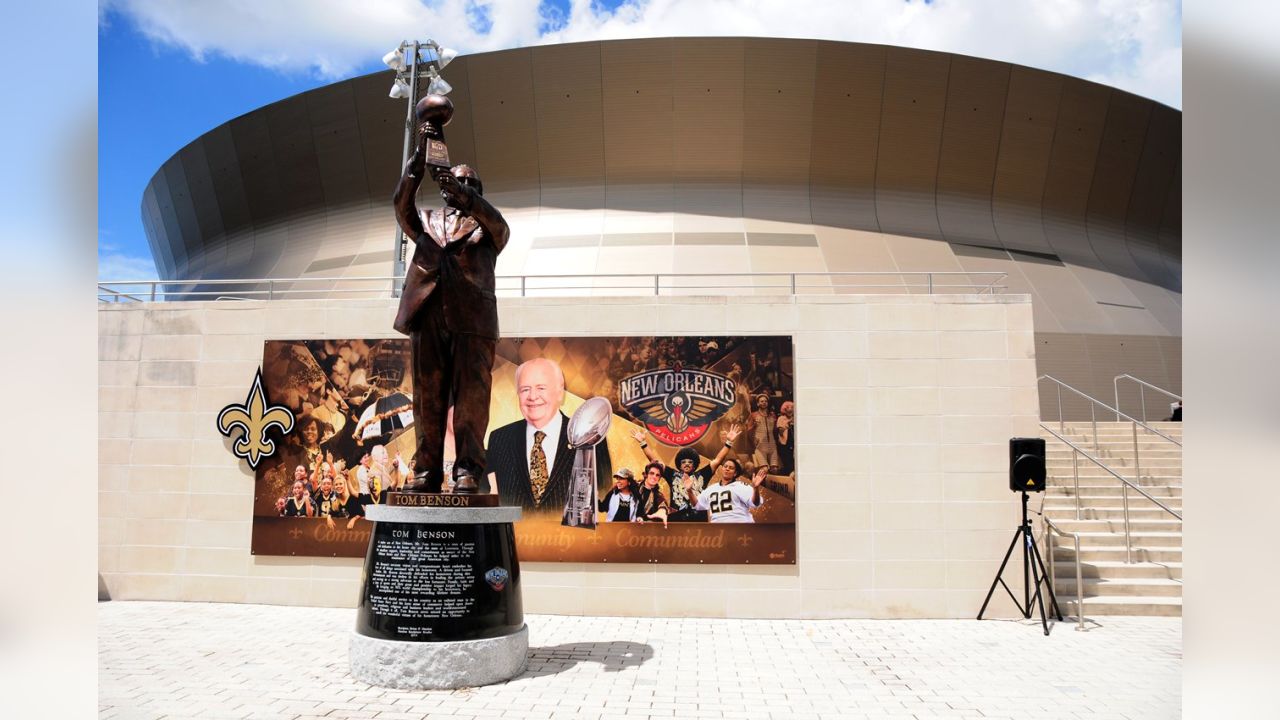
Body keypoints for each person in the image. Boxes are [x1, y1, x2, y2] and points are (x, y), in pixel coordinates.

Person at [393, 106, 510, 493]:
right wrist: (420, 157)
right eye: (455, 180)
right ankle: (426, 470)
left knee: (472, 401)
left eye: (468, 183)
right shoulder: (427, 220)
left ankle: (467, 471)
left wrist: (469, 200)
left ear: (477, 192)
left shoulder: (488, 228)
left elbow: (498, 223)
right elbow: (401, 207)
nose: (459, 186)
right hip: (429, 316)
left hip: (473, 322)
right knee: (427, 401)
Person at [486, 357, 612, 512]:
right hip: (514, 535)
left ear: (560, 393)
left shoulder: (591, 438)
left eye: (541, 388)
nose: (532, 396)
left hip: (570, 536)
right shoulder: (499, 439)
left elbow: (605, 494)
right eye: (525, 389)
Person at [630, 424, 741, 522]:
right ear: (679, 464)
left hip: (699, 518)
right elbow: (654, 460)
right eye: (683, 462)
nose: (686, 464)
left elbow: (717, 460)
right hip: (676, 518)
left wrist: (729, 442)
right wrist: (643, 443)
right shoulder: (672, 474)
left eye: (690, 462)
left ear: (695, 464)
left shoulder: (702, 474)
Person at [685, 459, 768, 523]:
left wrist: (756, 488)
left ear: (735, 473)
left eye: (731, 468)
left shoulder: (741, 486)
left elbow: (755, 503)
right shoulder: (711, 488)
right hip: (720, 531)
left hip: (741, 527)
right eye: (725, 466)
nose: (727, 469)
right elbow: (697, 505)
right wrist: (689, 491)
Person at [748, 394, 780, 472]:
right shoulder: (753, 415)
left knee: (775, 469)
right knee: (764, 469)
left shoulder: (772, 415)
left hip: (772, 445)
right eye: (762, 401)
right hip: (760, 446)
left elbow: (776, 430)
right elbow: (748, 430)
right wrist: (754, 426)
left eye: (765, 401)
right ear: (758, 403)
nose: (764, 403)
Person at [635, 462, 670, 528]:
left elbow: (663, 506)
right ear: (646, 474)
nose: (654, 477)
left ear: (659, 478)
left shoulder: (658, 495)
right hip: (625, 525)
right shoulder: (634, 486)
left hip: (643, 531)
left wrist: (662, 512)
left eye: (657, 475)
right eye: (652, 473)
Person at [776, 400, 795, 476]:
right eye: (788, 408)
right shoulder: (781, 418)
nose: (790, 409)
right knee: (788, 462)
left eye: (792, 407)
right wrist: (787, 423)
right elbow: (780, 432)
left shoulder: (795, 418)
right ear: (784, 409)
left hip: (793, 443)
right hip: (784, 444)